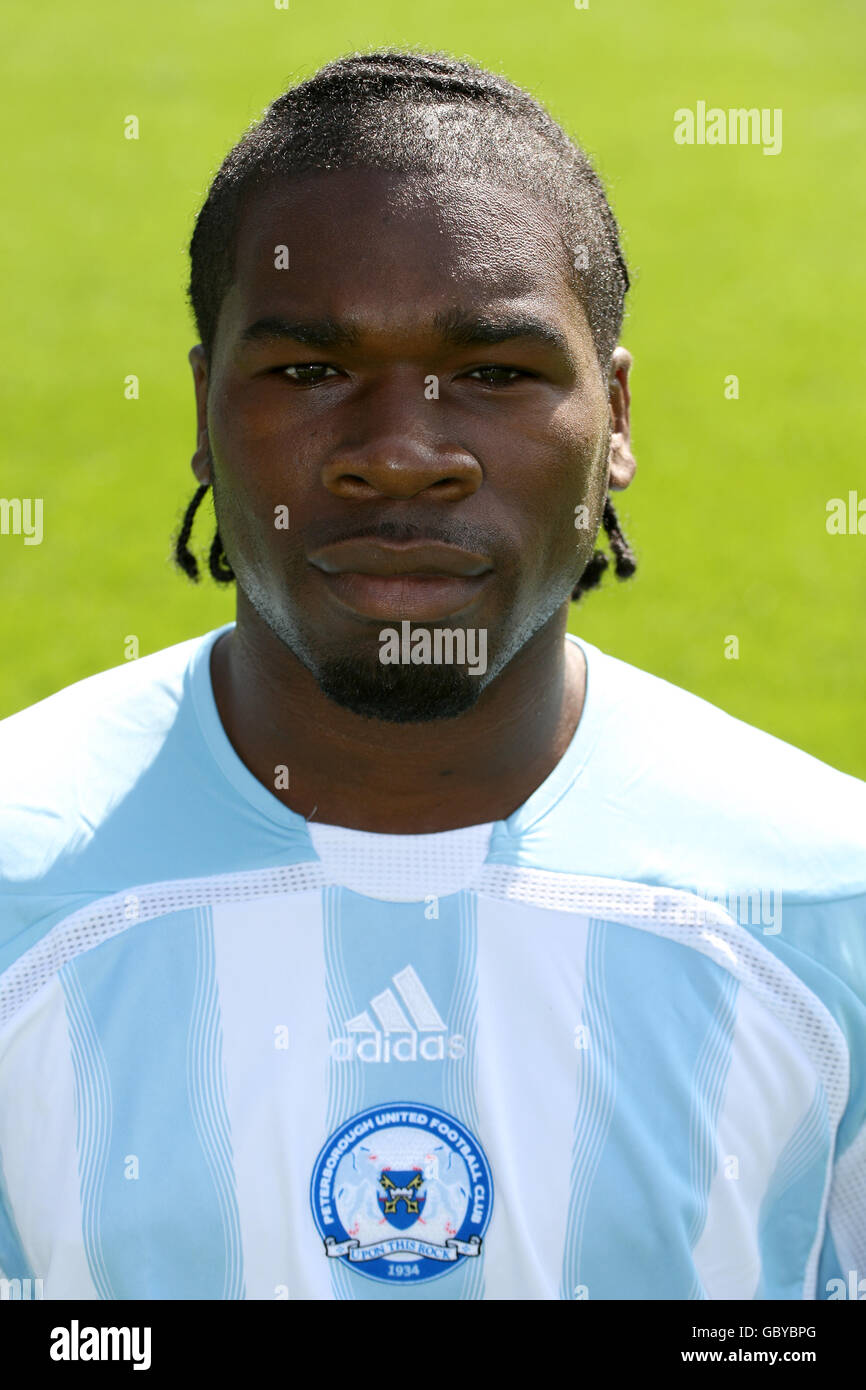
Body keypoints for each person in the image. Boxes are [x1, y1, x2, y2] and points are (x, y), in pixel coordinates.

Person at [0, 49, 863, 1302]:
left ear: (615, 420)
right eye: (307, 370)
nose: (399, 454)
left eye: (495, 373)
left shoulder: (828, 901)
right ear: (202, 410)